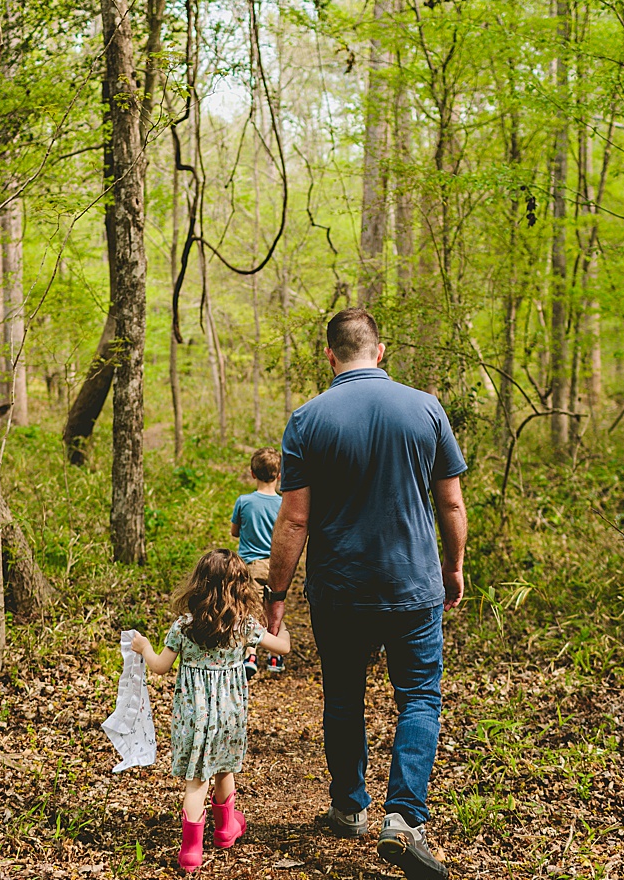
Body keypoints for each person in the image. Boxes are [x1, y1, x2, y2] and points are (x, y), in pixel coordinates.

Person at [262, 308, 467, 880]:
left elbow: (295, 520)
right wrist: (453, 567)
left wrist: (276, 593)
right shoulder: (425, 408)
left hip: (339, 590)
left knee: (345, 697)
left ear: (330, 356)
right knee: (420, 697)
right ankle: (404, 819)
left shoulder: (307, 419)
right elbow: (450, 502)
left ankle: (350, 807)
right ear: (380, 352)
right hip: (413, 585)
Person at [130, 548, 292, 874]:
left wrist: (144, 647)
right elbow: (283, 647)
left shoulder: (184, 626)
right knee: (224, 769)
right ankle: (224, 829)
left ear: (199, 584)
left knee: (196, 781)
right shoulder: (244, 626)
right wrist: (282, 630)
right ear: (239, 587)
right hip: (229, 716)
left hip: (192, 716)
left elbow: (160, 667)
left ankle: (191, 852)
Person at [230, 447, 286, 677]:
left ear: (252, 473)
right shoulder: (284, 505)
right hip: (276, 567)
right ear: (279, 475)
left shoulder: (243, 502)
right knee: (273, 610)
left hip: (250, 566)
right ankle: (275, 656)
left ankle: (250, 654)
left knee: (248, 610)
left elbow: (234, 532)